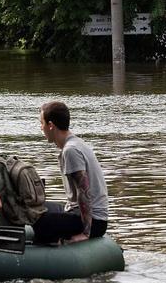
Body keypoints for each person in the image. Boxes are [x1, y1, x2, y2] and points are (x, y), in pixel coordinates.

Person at [40, 101, 109, 242]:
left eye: (42, 123)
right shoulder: (75, 143)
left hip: (94, 222)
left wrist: (86, 233)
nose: (41, 128)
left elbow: (84, 193)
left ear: (51, 125)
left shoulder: (71, 150)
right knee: (33, 209)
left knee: (41, 222)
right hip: (78, 213)